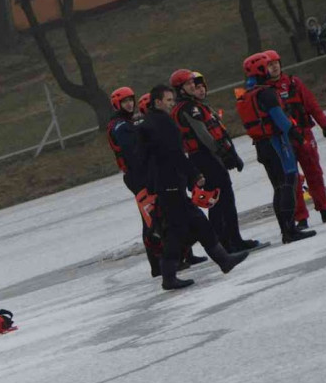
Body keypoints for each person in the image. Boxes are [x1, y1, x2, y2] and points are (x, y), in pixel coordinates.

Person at [137, 85, 249, 290]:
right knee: (175, 231)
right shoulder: (163, 123)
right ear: (157, 102)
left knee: (198, 222)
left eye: (172, 100)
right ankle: (169, 276)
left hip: (167, 183)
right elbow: (175, 154)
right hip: (169, 183)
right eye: (168, 100)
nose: (172, 103)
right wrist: (194, 174)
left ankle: (223, 260)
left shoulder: (150, 123)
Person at [170, 68, 263, 254]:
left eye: (193, 83)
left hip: (210, 157)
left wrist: (229, 154)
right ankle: (227, 242)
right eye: (188, 84)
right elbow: (203, 135)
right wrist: (224, 154)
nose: (193, 86)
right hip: (205, 157)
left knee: (224, 199)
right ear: (180, 89)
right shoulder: (188, 108)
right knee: (221, 200)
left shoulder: (195, 104)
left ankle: (233, 239)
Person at [235, 52, 318, 244]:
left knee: (278, 187)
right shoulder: (266, 93)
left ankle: (285, 229)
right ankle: (290, 231)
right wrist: (295, 132)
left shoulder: (249, 94)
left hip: (262, 146)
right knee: (287, 184)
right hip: (275, 144)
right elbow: (280, 119)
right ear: (261, 69)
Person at [265, 49, 326, 228]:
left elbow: (311, 103)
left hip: (304, 134)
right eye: (270, 64)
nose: (274, 66)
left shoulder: (294, 83)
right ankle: (301, 218)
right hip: (284, 140)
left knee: (314, 172)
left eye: (276, 62)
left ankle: (324, 210)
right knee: (293, 179)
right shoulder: (265, 91)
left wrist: (325, 124)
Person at [107, 86, 163, 278]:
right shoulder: (120, 126)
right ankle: (157, 265)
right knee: (151, 219)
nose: (130, 104)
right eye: (125, 102)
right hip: (137, 175)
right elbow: (134, 152)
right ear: (117, 104)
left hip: (143, 172)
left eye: (131, 100)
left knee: (156, 216)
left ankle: (171, 259)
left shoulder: (129, 121)